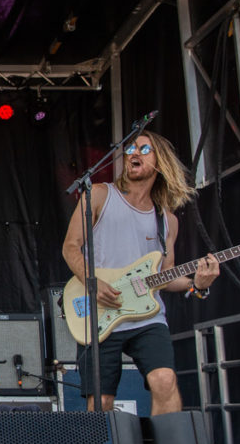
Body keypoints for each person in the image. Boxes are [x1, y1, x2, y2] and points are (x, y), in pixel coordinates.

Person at [61, 131, 220, 415]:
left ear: (160, 161)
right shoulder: (99, 195)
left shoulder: (167, 220)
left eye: (144, 149)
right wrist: (92, 281)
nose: (134, 153)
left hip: (148, 317)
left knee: (165, 381)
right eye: (130, 148)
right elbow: (70, 247)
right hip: (101, 314)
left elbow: (167, 275)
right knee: (101, 402)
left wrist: (197, 284)